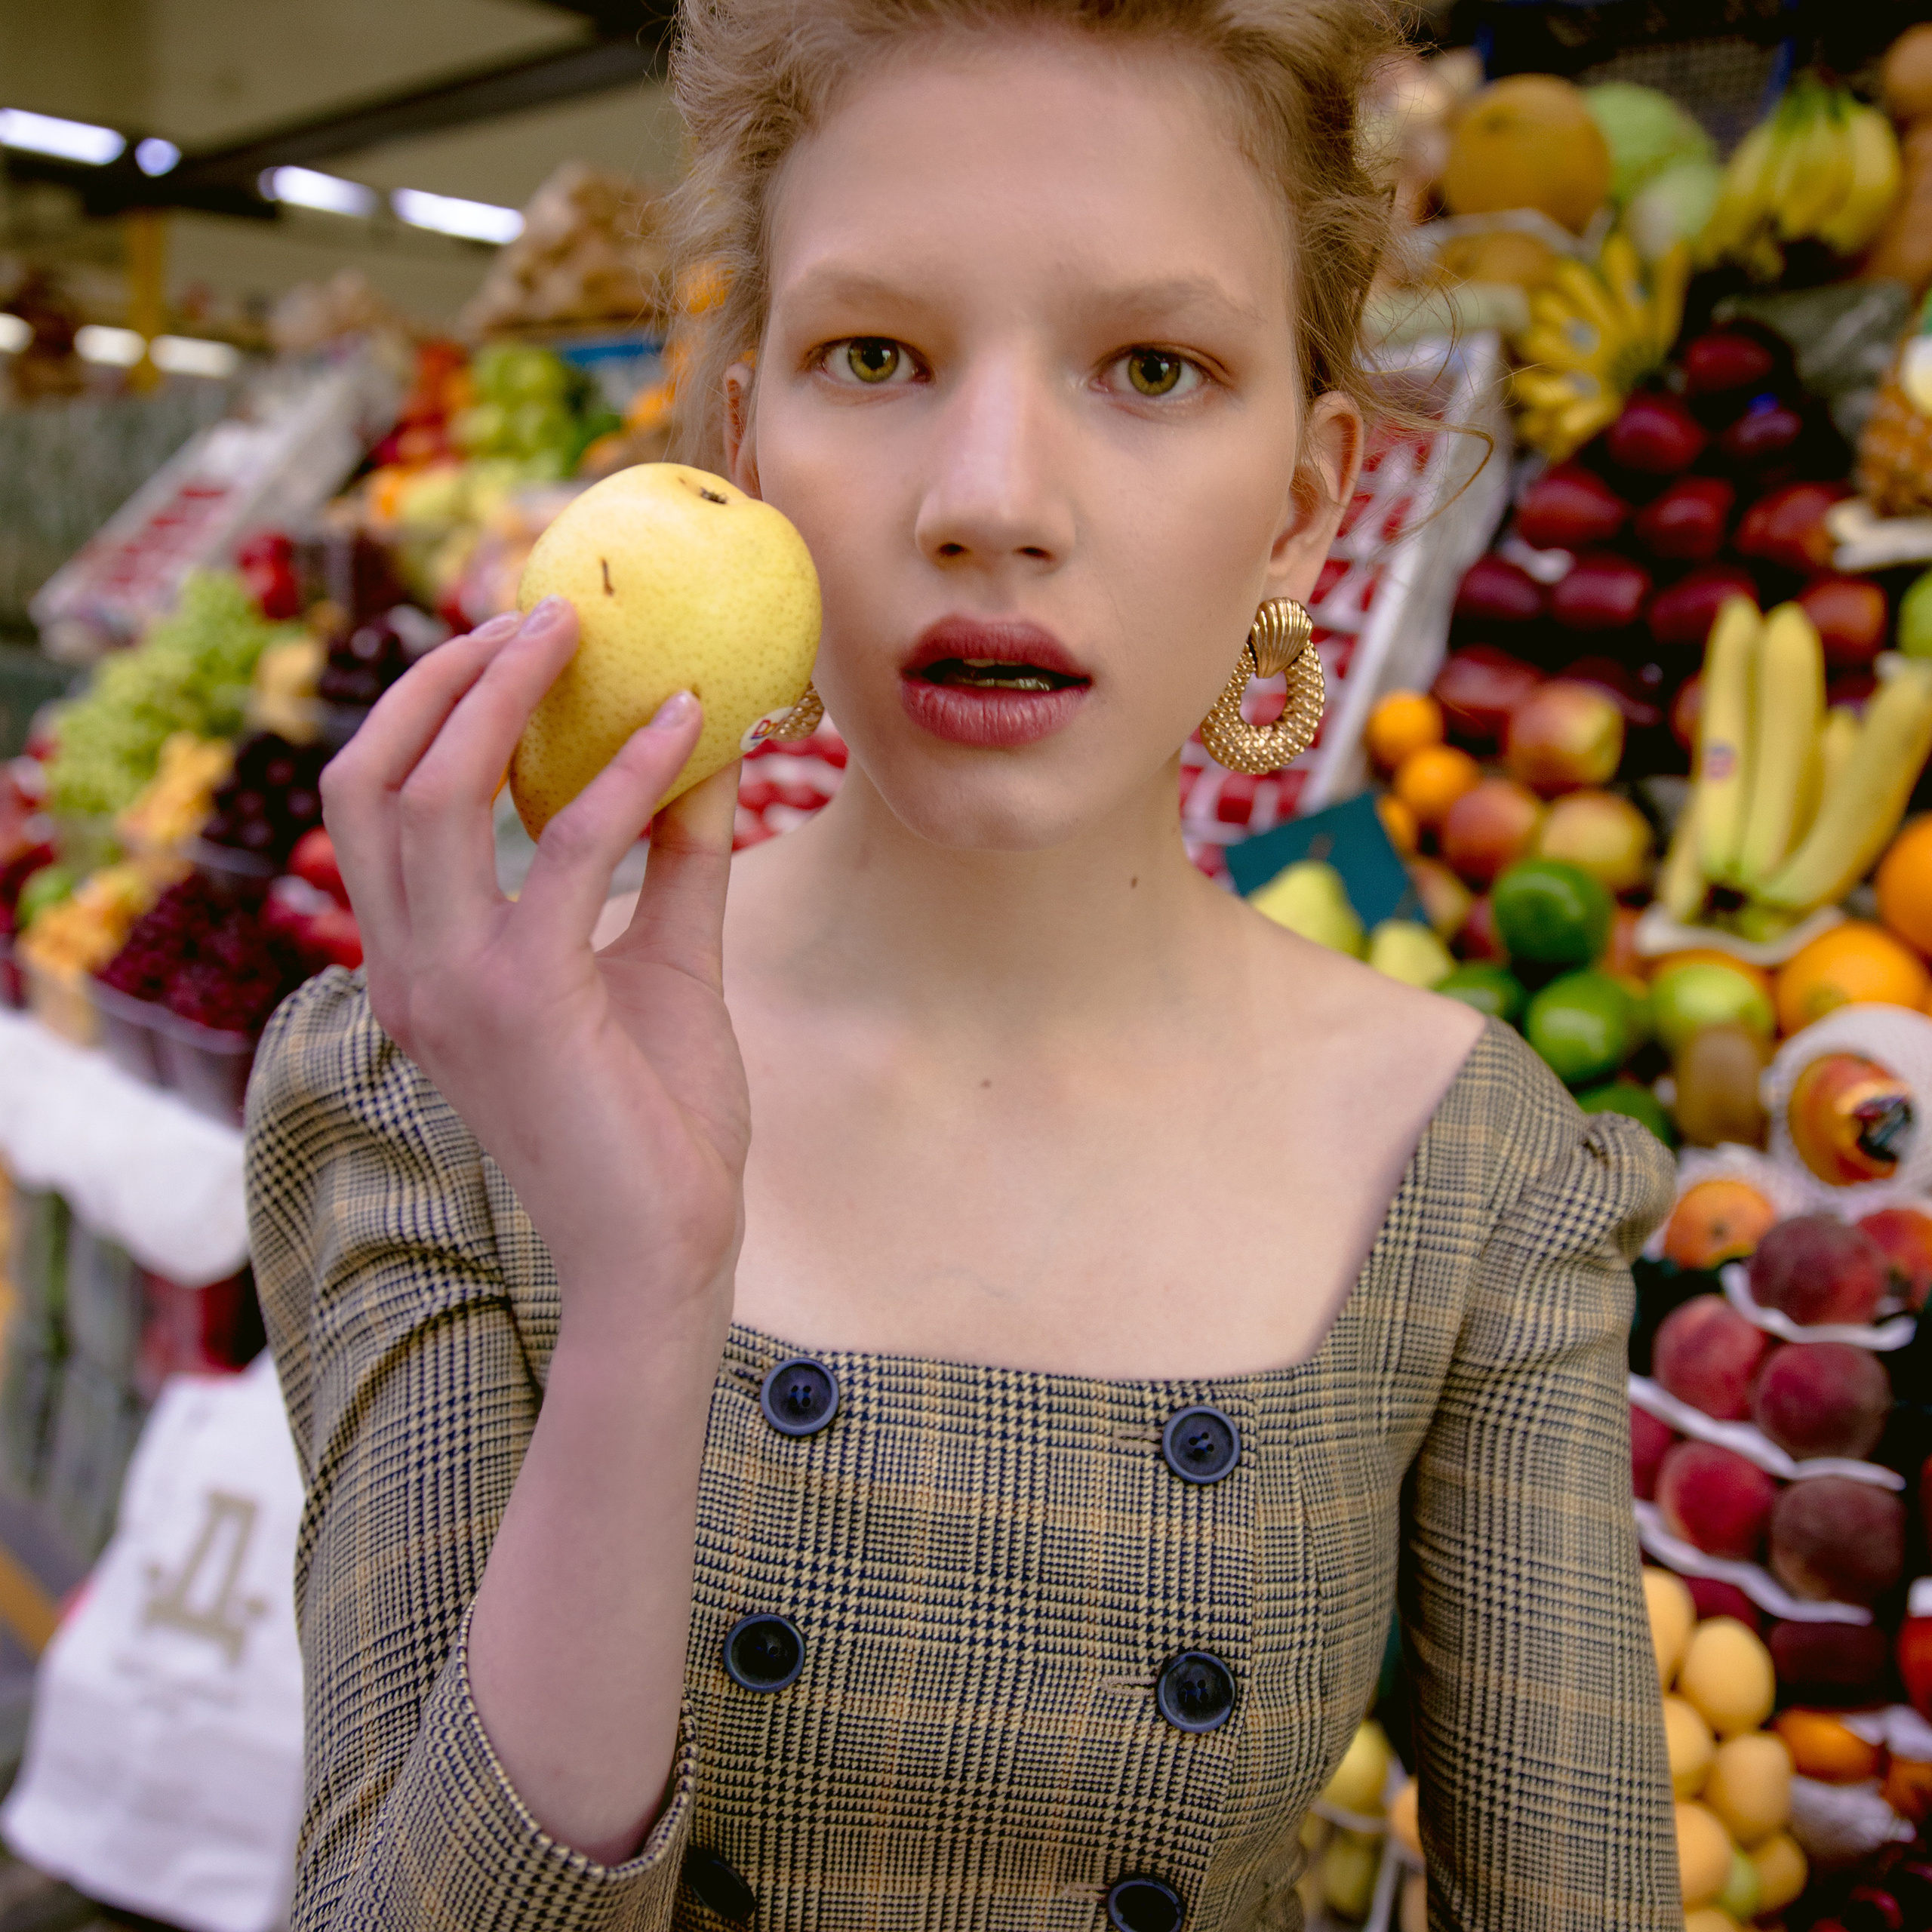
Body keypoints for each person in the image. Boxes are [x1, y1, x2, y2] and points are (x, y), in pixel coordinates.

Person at [246, 2, 1681, 1926]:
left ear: (1303, 503)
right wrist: (644, 1292)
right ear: (742, 437)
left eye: (1152, 365)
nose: (988, 496)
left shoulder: (1468, 1167)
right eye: (874, 354)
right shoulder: (455, 1090)